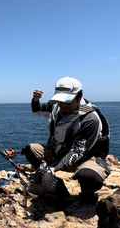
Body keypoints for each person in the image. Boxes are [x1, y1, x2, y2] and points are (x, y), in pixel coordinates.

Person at [22, 77, 110, 205]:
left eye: (67, 102)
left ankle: (87, 194)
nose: (63, 105)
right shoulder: (57, 106)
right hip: (59, 152)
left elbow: (78, 151)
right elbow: (37, 110)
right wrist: (35, 100)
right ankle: (58, 190)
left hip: (86, 158)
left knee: (89, 178)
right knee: (30, 150)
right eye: (60, 101)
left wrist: (52, 169)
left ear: (80, 97)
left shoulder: (90, 118)